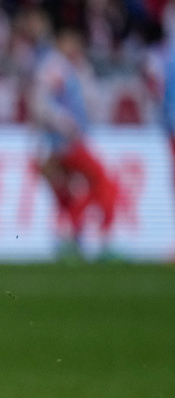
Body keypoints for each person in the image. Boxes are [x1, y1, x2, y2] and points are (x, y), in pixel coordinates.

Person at [31, 26, 119, 261]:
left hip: (61, 144)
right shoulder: (56, 66)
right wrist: (65, 124)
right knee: (101, 182)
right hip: (65, 144)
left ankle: (70, 238)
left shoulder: (69, 67)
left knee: (73, 193)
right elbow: (41, 104)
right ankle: (101, 240)